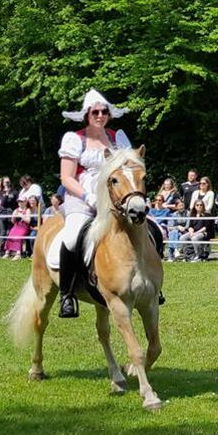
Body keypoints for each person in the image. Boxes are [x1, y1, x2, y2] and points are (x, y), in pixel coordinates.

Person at [56, 88, 133, 318]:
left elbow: (129, 168)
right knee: (71, 237)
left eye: (104, 111)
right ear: (87, 114)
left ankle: (152, 284)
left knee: (147, 228)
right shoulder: (74, 139)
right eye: (95, 112)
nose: (100, 115)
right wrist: (87, 197)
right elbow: (66, 177)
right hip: (81, 198)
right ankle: (67, 295)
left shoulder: (117, 137)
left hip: (114, 197)